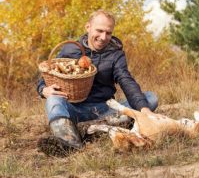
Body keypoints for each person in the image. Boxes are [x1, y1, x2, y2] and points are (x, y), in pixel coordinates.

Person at [37, 10, 158, 155]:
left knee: (150, 98)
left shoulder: (116, 54)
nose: (103, 37)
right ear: (88, 27)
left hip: (105, 109)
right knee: (53, 100)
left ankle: (95, 128)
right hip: (75, 110)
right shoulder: (71, 49)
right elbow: (47, 75)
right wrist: (43, 89)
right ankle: (71, 144)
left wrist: (144, 109)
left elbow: (126, 80)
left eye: (108, 33)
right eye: (99, 31)